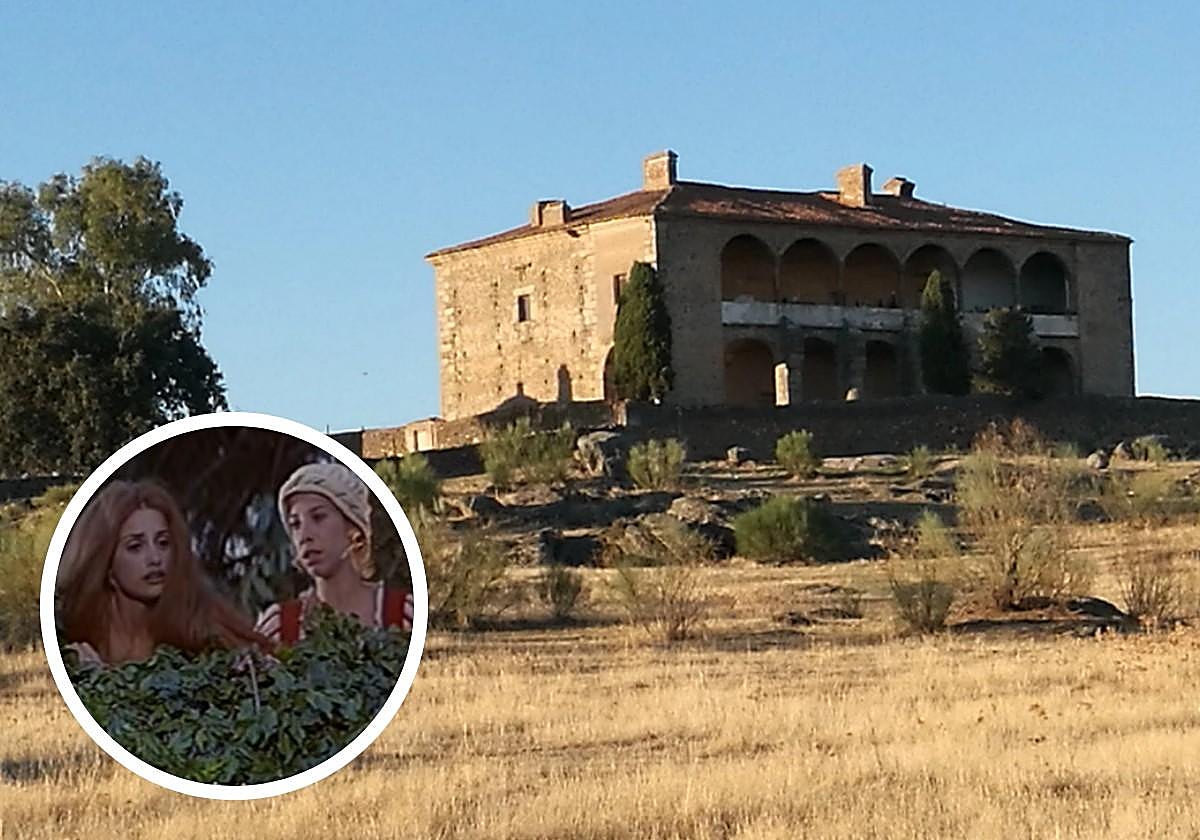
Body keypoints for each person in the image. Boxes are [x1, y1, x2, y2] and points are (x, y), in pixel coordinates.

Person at [57, 480, 273, 666]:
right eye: (135, 547)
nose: (155, 558)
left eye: (163, 543)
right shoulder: (70, 634)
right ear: (105, 560)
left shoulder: (202, 623)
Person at [256, 462, 414, 644]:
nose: (304, 535)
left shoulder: (400, 615)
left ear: (352, 527)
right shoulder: (281, 627)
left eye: (318, 517)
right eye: (295, 524)